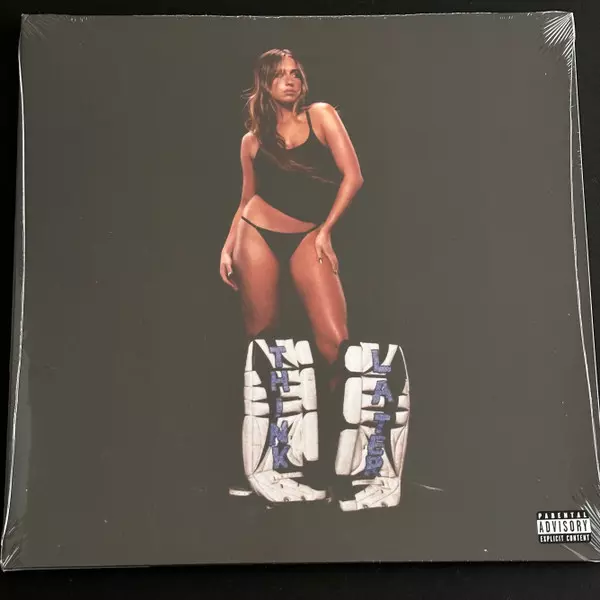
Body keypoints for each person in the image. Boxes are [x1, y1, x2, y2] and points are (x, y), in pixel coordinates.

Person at [219, 48, 363, 371]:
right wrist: (227, 248)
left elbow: (353, 177)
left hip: (309, 235)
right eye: (280, 75)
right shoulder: (251, 141)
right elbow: (245, 200)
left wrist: (326, 231)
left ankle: (339, 403)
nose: (290, 81)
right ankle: (273, 406)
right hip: (255, 233)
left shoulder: (321, 115)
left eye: (295, 73)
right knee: (264, 342)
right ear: (265, 83)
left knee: (336, 342)